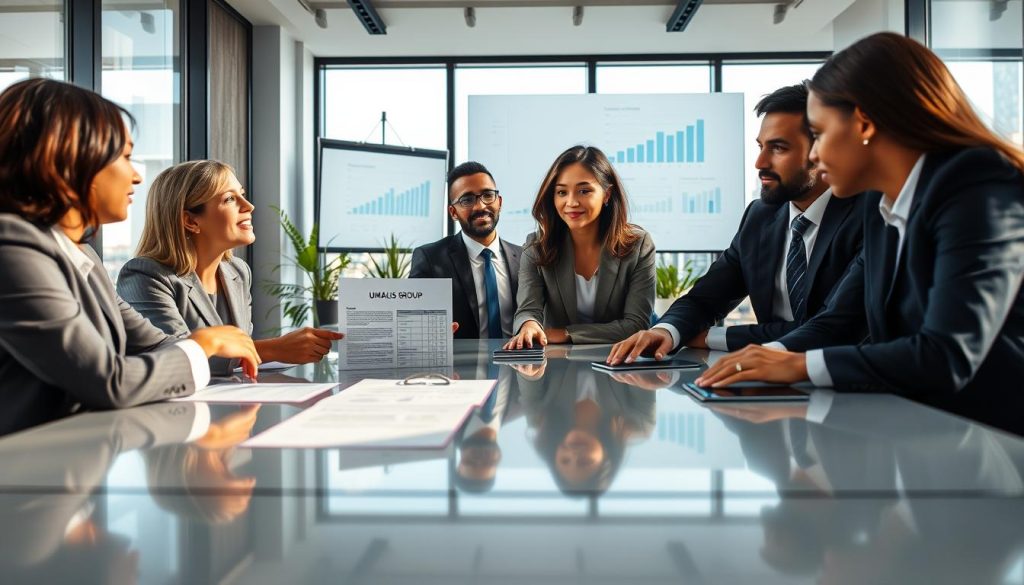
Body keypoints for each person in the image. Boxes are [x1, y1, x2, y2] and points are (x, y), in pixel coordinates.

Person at [697, 32, 1024, 399]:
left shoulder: (976, 185)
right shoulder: (883, 207)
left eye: (818, 134)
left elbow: (946, 355)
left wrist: (800, 365)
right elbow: (840, 320)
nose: (815, 157)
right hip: (917, 426)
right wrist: (770, 357)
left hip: (992, 438)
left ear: (864, 124)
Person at [0, 79, 259, 434]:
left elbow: (157, 344)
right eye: (124, 157)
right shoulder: (12, 248)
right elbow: (108, 379)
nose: (136, 175)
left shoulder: (81, 255)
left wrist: (204, 345)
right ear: (69, 161)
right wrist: (205, 343)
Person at [606, 83, 865, 365]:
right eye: (760, 146)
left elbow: (832, 327)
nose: (759, 162)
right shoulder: (760, 217)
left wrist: (712, 338)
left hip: (849, 388)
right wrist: (667, 331)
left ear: (822, 151)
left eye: (778, 148)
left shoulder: (866, 218)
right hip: (766, 388)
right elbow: (705, 299)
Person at [117, 160, 343, 374]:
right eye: (229, 199)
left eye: (241, 195)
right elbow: (174, 357)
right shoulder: (145, 276)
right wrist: (274, 349)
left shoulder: (238, 272)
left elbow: (234, 353)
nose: (249, 206)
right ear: (191, 221)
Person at [505, 145, 656, 347]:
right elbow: (527, 310)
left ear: (607, 195)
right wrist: (529, 325)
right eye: (561, 192)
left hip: (618, 364)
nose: (572, 202)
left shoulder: (638, 246)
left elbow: (636, 324)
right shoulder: (536, 246)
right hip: (557, 368)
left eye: (584, 191)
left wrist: (567, 334)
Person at [409, 161, 522, 339]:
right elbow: (409, 321)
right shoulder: (431, 259)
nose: (480, 206)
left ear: (499, 202)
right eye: (467, 200)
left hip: (520, 365)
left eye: (487, 195)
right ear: (453, 212)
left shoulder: (525, 258)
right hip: (460, 365)